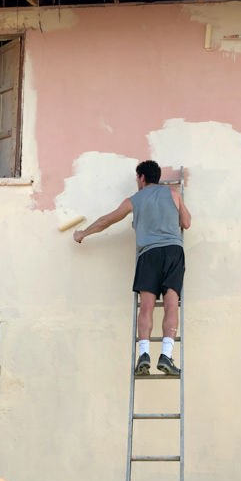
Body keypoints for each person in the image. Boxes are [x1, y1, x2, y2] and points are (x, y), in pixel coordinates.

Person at [73, 160, 191, 376]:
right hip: (173, 251)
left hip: (148, 254)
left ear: (142, 178)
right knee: (171, 305)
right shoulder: (174, 193)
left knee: (146, 306)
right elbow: (186, 222)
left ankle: (143, 355)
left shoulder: (134, 200)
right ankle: (166, 355)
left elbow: (105, 220)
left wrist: (82, 233)